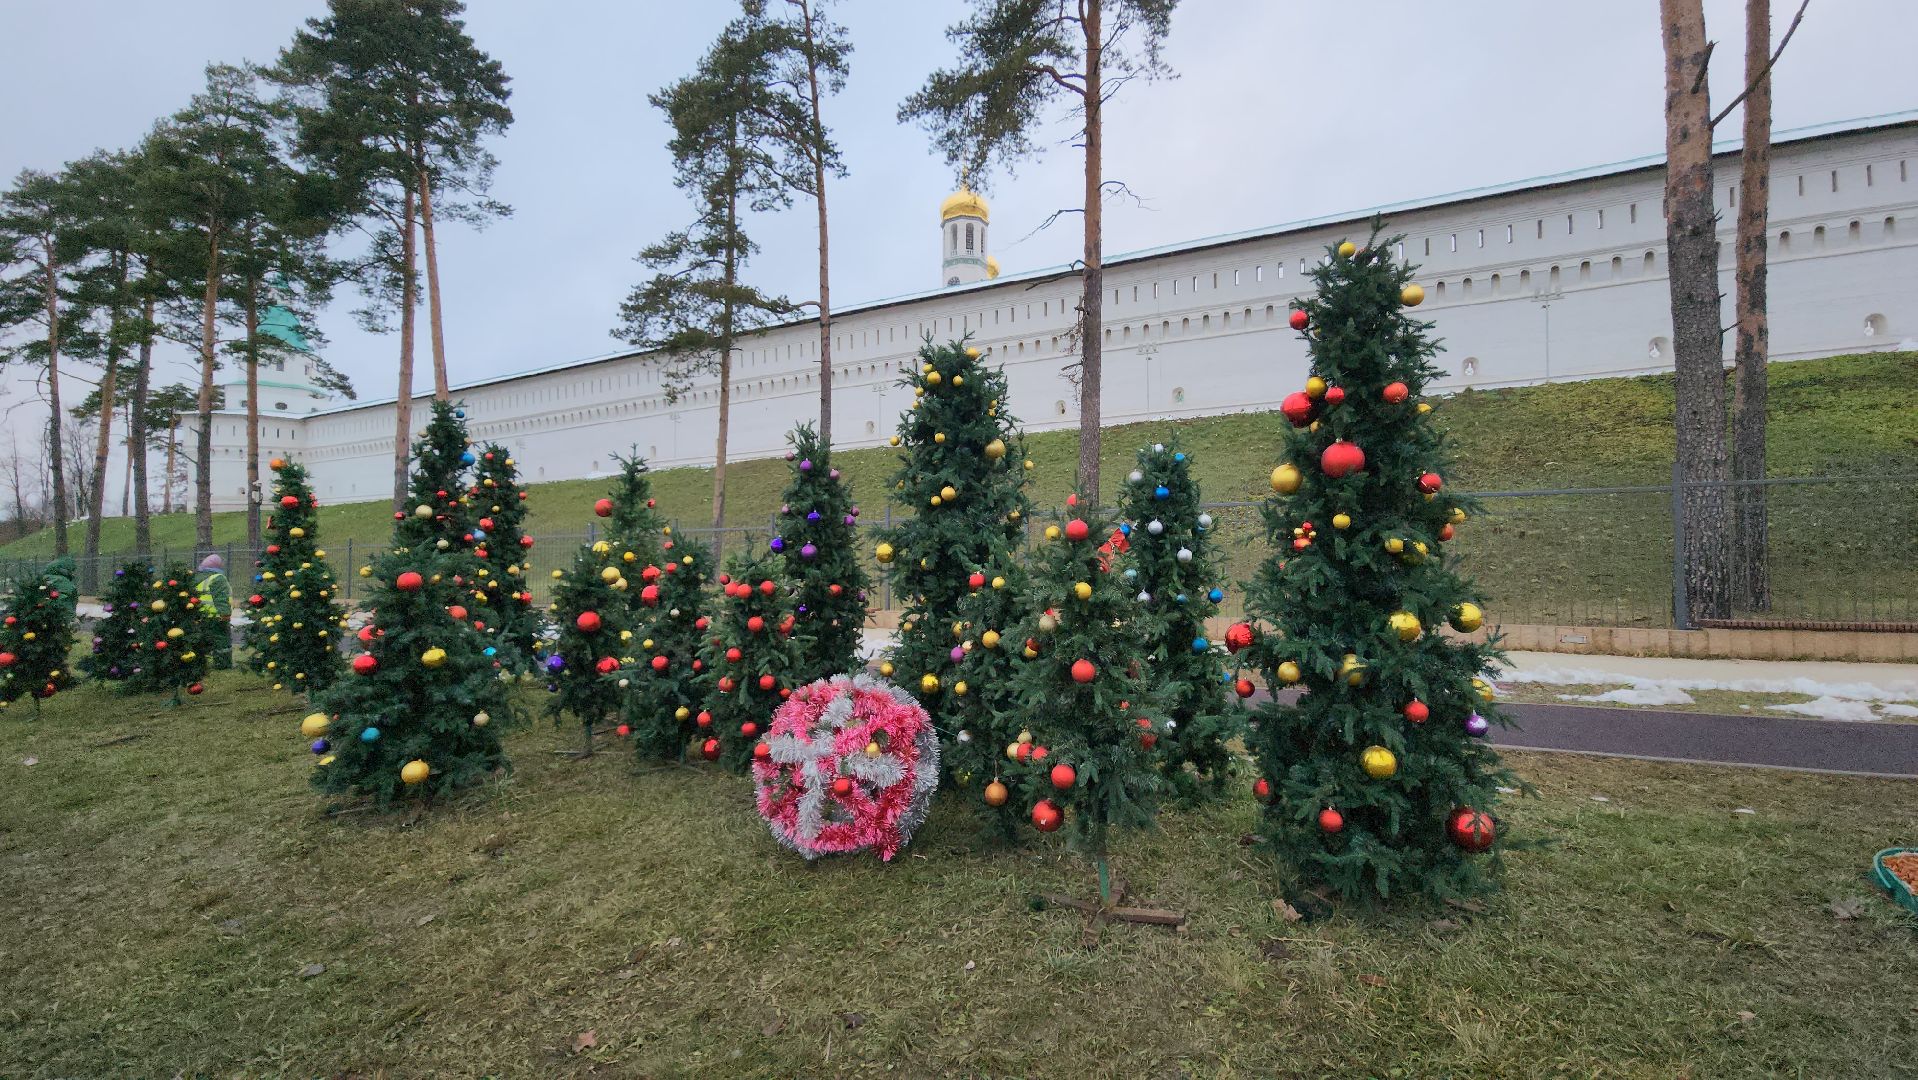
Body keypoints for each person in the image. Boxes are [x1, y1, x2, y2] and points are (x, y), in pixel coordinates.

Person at [192, 554, 233, 670]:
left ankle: (199, 664)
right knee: (222, 641)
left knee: (201, 641)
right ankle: (223, 665)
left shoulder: (196, 578)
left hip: (199, 616)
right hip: (216, 616)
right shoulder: (218, 578)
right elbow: (221, 598)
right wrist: (225, 614)